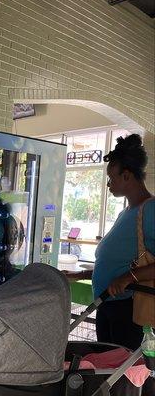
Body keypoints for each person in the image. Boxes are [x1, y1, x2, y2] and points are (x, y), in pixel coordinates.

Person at [66, 134, 155, 350]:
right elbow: (117, 262)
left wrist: (127, 278)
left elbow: (128, 271)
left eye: (111, 178)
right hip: (108, 304)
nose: (108, 184)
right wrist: (80, 275)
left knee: (122, 376)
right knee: (106, 370)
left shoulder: (150, 209)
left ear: (126, 176)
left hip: (129, 309)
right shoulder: (127, 212)